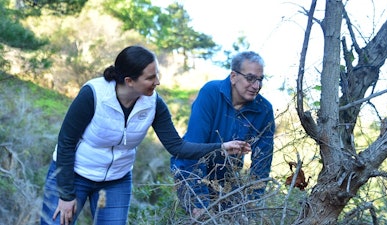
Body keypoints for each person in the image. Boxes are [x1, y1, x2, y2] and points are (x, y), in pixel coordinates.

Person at [40, 45, 251, 225]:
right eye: (150, 77)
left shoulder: (153, 104)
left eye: (157, 75)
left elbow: (177, 147)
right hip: (74, 173)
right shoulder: (94, 94)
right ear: (130, 80)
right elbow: (66, 142)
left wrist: (221, 148)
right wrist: (66, 195)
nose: (157, 81)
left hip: (116, 180)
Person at [170, 51, 275, 217]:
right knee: (202, 217)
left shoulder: (264, 109)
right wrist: (199, 201)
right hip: (190, 169)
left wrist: (252, 203)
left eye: (260, 79)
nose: (256, 86)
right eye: (250, 78)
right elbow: (193, 148)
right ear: (233, 76)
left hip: (226, 180)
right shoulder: (211, 92)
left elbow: (262, 162)